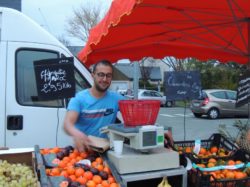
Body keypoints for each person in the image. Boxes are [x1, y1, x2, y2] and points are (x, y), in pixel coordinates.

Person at [63, 60, 124, 152]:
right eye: (101, 74)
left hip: (106, 151)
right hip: (84, 152)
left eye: (108, 75)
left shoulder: (117, 99)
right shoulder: (79, 98)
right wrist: (77, 134)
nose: (104, 79)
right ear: (93, 75)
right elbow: (67, 124)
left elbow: (134, 111)